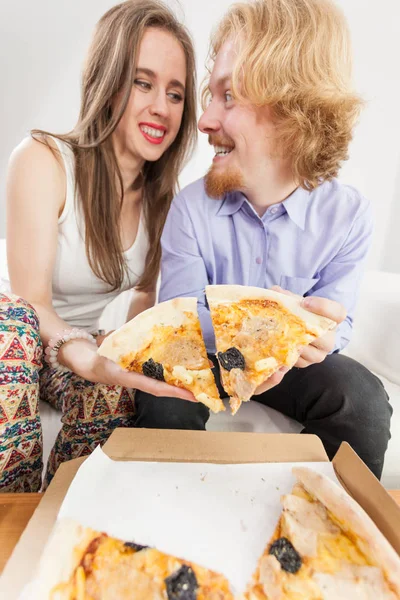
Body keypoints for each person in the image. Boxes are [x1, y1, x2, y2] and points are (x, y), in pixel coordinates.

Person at [134, 0, 392, 479]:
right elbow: (180, 331)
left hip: (293, 369)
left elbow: (338, 324)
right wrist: (256, 332)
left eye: (227, 96)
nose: (203, 120)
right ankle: (173, 528)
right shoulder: (191, 209)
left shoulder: (349, 215)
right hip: (206, 362)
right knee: (160, 395)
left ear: (294, 109)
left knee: (363, 401)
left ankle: (330, 531)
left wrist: (319, 335)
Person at [1, 0, 198, 492]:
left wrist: (120, 344)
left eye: (175, 94)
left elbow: (143, 303)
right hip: (16, 336)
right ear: (109, 83)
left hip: (72, 345)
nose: (161, 107)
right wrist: (80, 348)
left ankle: (63, 517)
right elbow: (29, 305)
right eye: (143, 82)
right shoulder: (43, 160)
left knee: (117, 381)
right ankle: (11, 514)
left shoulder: (165, 204)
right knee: (16, 329)